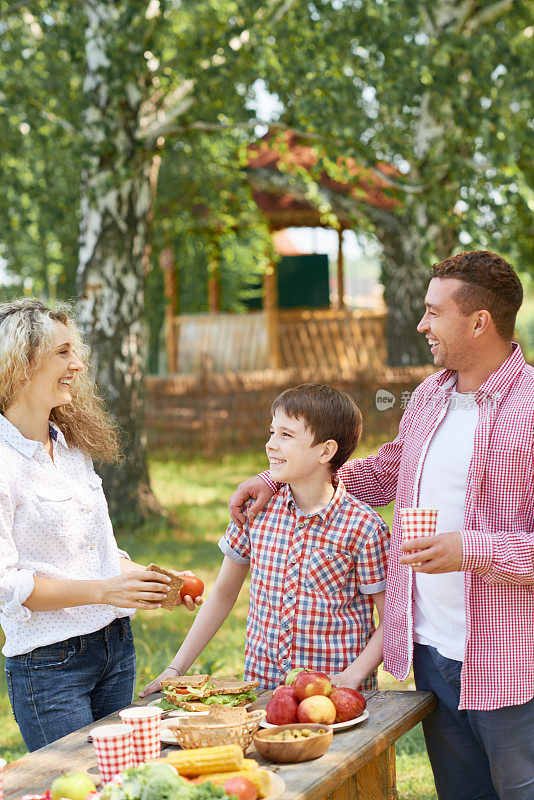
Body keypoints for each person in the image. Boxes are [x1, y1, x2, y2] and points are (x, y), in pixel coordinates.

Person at [227, 251, 534, 800]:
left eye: (434, 312)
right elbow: (384, 471)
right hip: (434, 654)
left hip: (513, 662)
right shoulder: (431, 397)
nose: (422, 324)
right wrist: (273, 478)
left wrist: (474, 551)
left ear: (479, 321)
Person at [0, 299, 199, 752]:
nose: (78, 363)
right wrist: (102, 591)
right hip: (50, 665)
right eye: (63, 352)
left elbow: (95, 555)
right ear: (20, 363)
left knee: (121, 781)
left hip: (114, 648)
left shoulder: (72, 448)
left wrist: (151, 580)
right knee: (77, 785)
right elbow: (5, 584)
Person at [141, 384, 389, 696]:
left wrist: (352, 676)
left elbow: (391, 617)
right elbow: (222, 596)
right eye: (272, 432)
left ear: (325, 451)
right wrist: (176, 669)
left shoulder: (364, 528)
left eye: (286, 435)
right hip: (262, 691)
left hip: (335, 695)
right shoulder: (256, 511)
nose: (270, 444)